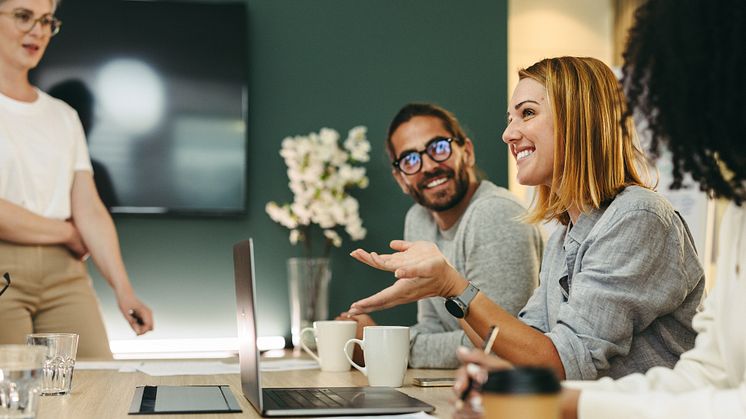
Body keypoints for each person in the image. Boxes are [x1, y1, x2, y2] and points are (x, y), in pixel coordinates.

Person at [346, 56, 705, 380]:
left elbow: (562, 363)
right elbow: (520, 347)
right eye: (510, 119)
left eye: (528, 113)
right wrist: (446, 292)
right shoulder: (566, 235)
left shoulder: (637, 216)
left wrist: (451, 285)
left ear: (576, 119)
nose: (508, 134)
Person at [0, 0, 153, 359]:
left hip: (65, 274)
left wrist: (124, 290)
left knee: (98, 386)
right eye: (24, 16)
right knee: (15, 401)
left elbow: (90, 209)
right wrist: (66, 233)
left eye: (46, 21)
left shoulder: (63, 116)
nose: (37, 31)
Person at [338, 103, 542, 368]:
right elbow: (432, 327)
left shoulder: (496, 214)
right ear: (401, 179)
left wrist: (381, 345)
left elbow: (498, 347)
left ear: (466, 152)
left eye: (438, 147)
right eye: (410, 160)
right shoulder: (419, 219)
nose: (428, 166)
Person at [47, 79, 119, 210]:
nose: (93, 122)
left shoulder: (96, 173)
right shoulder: (36, 167)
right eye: (89, 115)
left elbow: (101, 217)